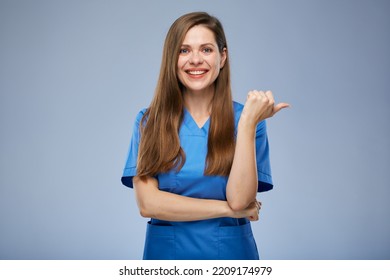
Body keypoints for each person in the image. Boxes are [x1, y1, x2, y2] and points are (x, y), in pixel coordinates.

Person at [121, 12, 289, 260]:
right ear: (172, 59)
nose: (195, 60)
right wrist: (228, 211)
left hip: (231, 259)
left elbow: (241, 200)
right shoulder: (149, 121)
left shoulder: (248, 121)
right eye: (184, 50)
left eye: (206, 50)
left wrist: (246, 125)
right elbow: (148, 204)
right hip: (167, 259)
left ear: (222, 57)